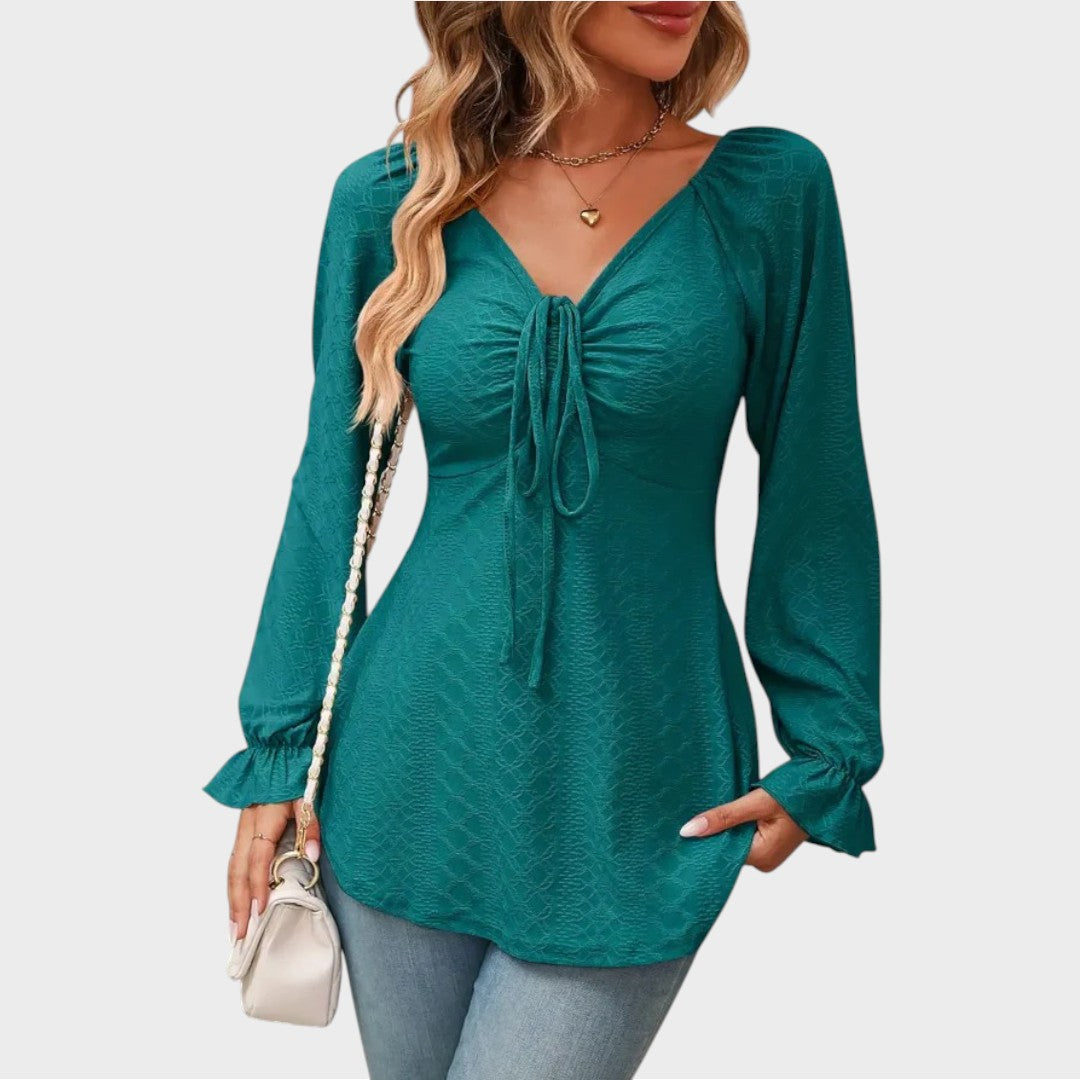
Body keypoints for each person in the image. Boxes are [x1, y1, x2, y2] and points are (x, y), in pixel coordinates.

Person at [203, 2, 883, 1077]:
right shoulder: (395, 199)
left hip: (640, 778)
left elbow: (817, 481)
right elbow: (330, 488)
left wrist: (829, 744)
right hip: (407, 765)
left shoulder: (767, 192)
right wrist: (280, 749)